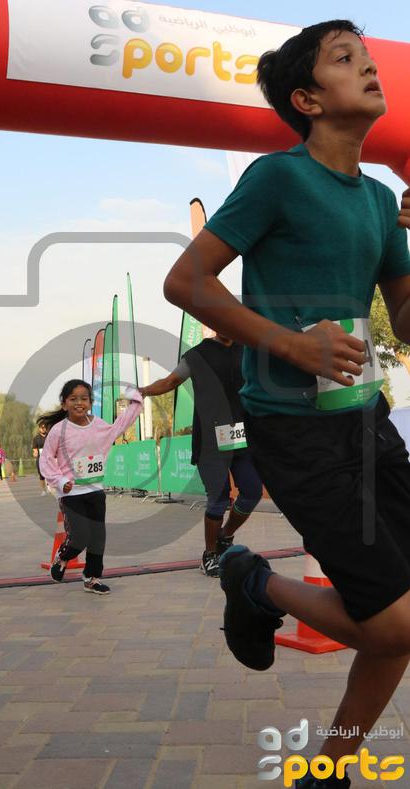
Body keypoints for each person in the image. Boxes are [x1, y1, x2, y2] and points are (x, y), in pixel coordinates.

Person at [163, 20, 410, 789]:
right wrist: (291, 345)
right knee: (396, 621)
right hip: (295, 431)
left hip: (368, 421)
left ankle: (328, 772)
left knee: (398, 622)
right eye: (346, 59)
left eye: (368, 57)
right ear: (306, 99)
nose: (370, 67)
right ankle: (254, 580)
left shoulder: (380, 201)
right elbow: (186, 281)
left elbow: (405, 322)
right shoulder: (277, 178)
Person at [140, 333, 263, 577]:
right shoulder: (196, 355)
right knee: (218, 499)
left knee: (252, 492)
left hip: (241, 436)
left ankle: (225, 535)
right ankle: (210, 554)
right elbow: (170, 382)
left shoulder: (247, 349)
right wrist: (143, 390)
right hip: (210, 440)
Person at [39, 379, 143, 595]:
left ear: (90, 402)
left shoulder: (98, 425)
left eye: (84, 399)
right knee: (80, 536)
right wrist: (60, 481)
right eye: (73, 399)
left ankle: (92, 578)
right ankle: (63, 557)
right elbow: (46, 459)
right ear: (64, 404)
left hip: (95, 490)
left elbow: (120, 425)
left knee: (97, 537)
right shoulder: (58, 430)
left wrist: (136, 401)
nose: (79, 403)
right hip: (71, 493)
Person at [32, 421, 49, 496]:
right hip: (40, 458)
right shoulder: (36, 438)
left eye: (44, 427)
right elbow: (35, 449)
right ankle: (43, 490)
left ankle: (48, 487)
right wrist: (35, 453)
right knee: (41, 475)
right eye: (42, 427)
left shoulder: (49, 435)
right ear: (39, 428)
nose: (43, 429)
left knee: (49, 473)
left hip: (49, 457)